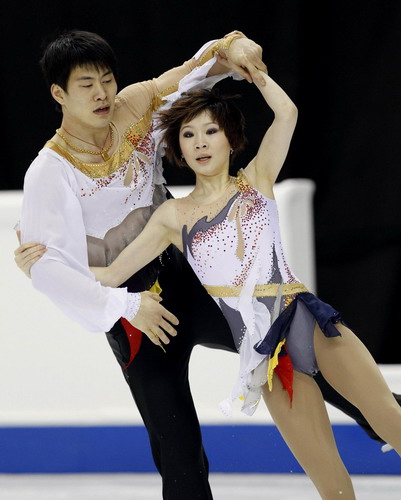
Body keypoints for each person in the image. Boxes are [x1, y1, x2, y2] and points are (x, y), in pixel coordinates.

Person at [14, 29, 399, 499]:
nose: (101, 94)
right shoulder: (49, 172)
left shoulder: (135, 105)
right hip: (134, 309)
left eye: (107, 80)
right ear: (59, 93)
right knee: (176, 445)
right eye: (86, 85)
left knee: (302, 346)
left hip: (190, 277)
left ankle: (384, 418)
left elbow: (194, 75)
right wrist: (123, 304)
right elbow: (54, 270)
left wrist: (231, 47)